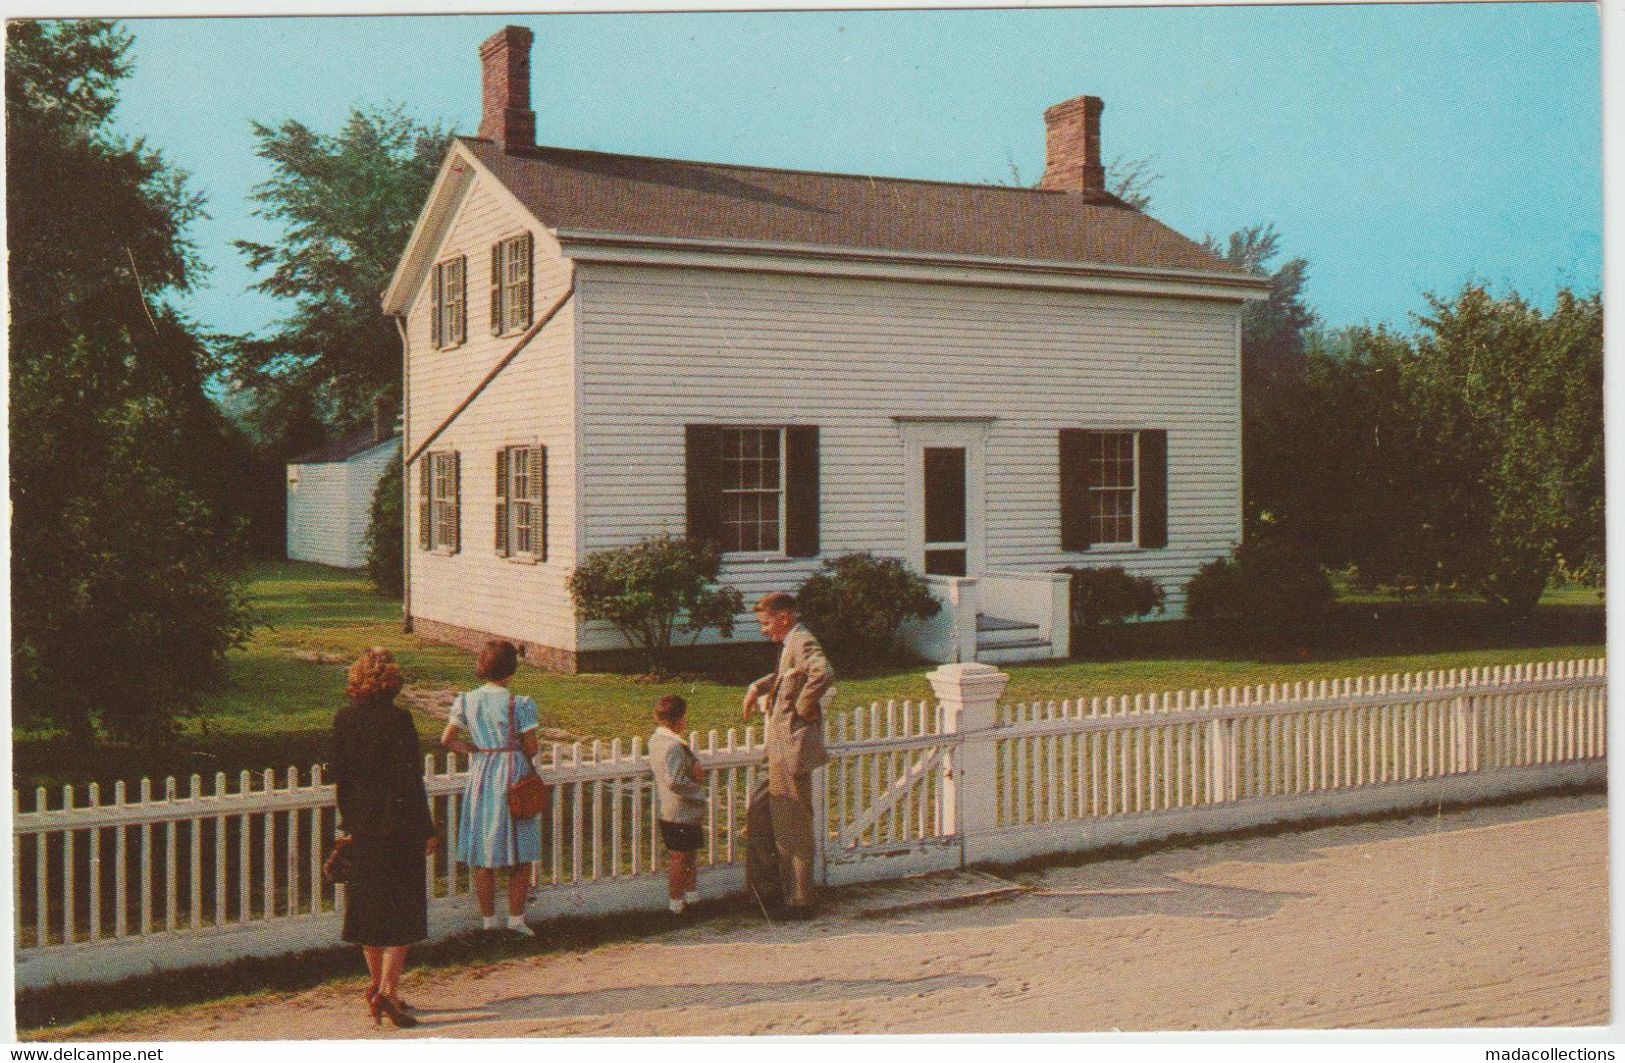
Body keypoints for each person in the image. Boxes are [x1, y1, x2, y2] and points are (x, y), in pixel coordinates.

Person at [332, 647, 436, 1030]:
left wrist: (349, 823)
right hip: (401, 825)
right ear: (391, 682)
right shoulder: (400, 720)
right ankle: (389, 992)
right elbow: (411, 780)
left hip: (362, 826)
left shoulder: (343, 720)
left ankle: (376, 985)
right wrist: (427, 828)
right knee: (402, 908)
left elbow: (341, 778)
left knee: (369, 907)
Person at [439, 640, 541, 937]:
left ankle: (487, 920)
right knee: (521, 849)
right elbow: (531, 747)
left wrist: (472, 747)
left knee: (483, 848)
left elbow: (447, 739)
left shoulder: (466, 700)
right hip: (512, 773)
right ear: (511, 670)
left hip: (483, 772)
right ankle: (516, 918)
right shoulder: (518, 703)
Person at [742, 592, 833, 918]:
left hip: (790, 749)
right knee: (760, 814)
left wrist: (804, 706)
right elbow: (787, 677)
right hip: (775, 749)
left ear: (784, 617)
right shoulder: (790, 644)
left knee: (793, 824)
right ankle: (764, 894)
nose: (764, 630)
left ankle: (799, 901)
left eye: (766, 623)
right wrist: (758, 687)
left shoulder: (802, 640)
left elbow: (821, 673)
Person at [649, 694, 707, 915]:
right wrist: (697, 785)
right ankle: (676, 904)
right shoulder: (672, 746)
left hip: (678, 810)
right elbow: (674, 781)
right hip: (679, 810)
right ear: (679, 719)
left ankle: (691, 898)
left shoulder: (657, 740)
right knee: (680, 857)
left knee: (689, 854)